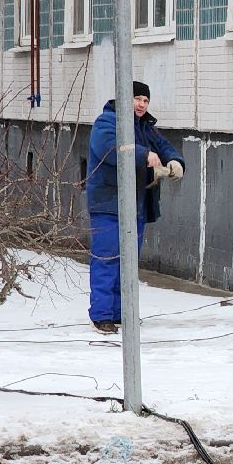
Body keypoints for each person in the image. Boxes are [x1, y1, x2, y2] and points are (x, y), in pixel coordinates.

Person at [84, 81, 185, 334]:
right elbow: (110, 149)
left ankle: (121, 312)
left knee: (128, 262)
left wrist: (174, 160)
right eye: (137, 99)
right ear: (124, 98)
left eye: (145, 100)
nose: (141, 104)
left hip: (136, 205)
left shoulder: (145, 127)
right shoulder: (107, 123)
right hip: (109, 204)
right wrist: (144, 155)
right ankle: (102, 315)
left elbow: (163, 146)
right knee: (107, 259)